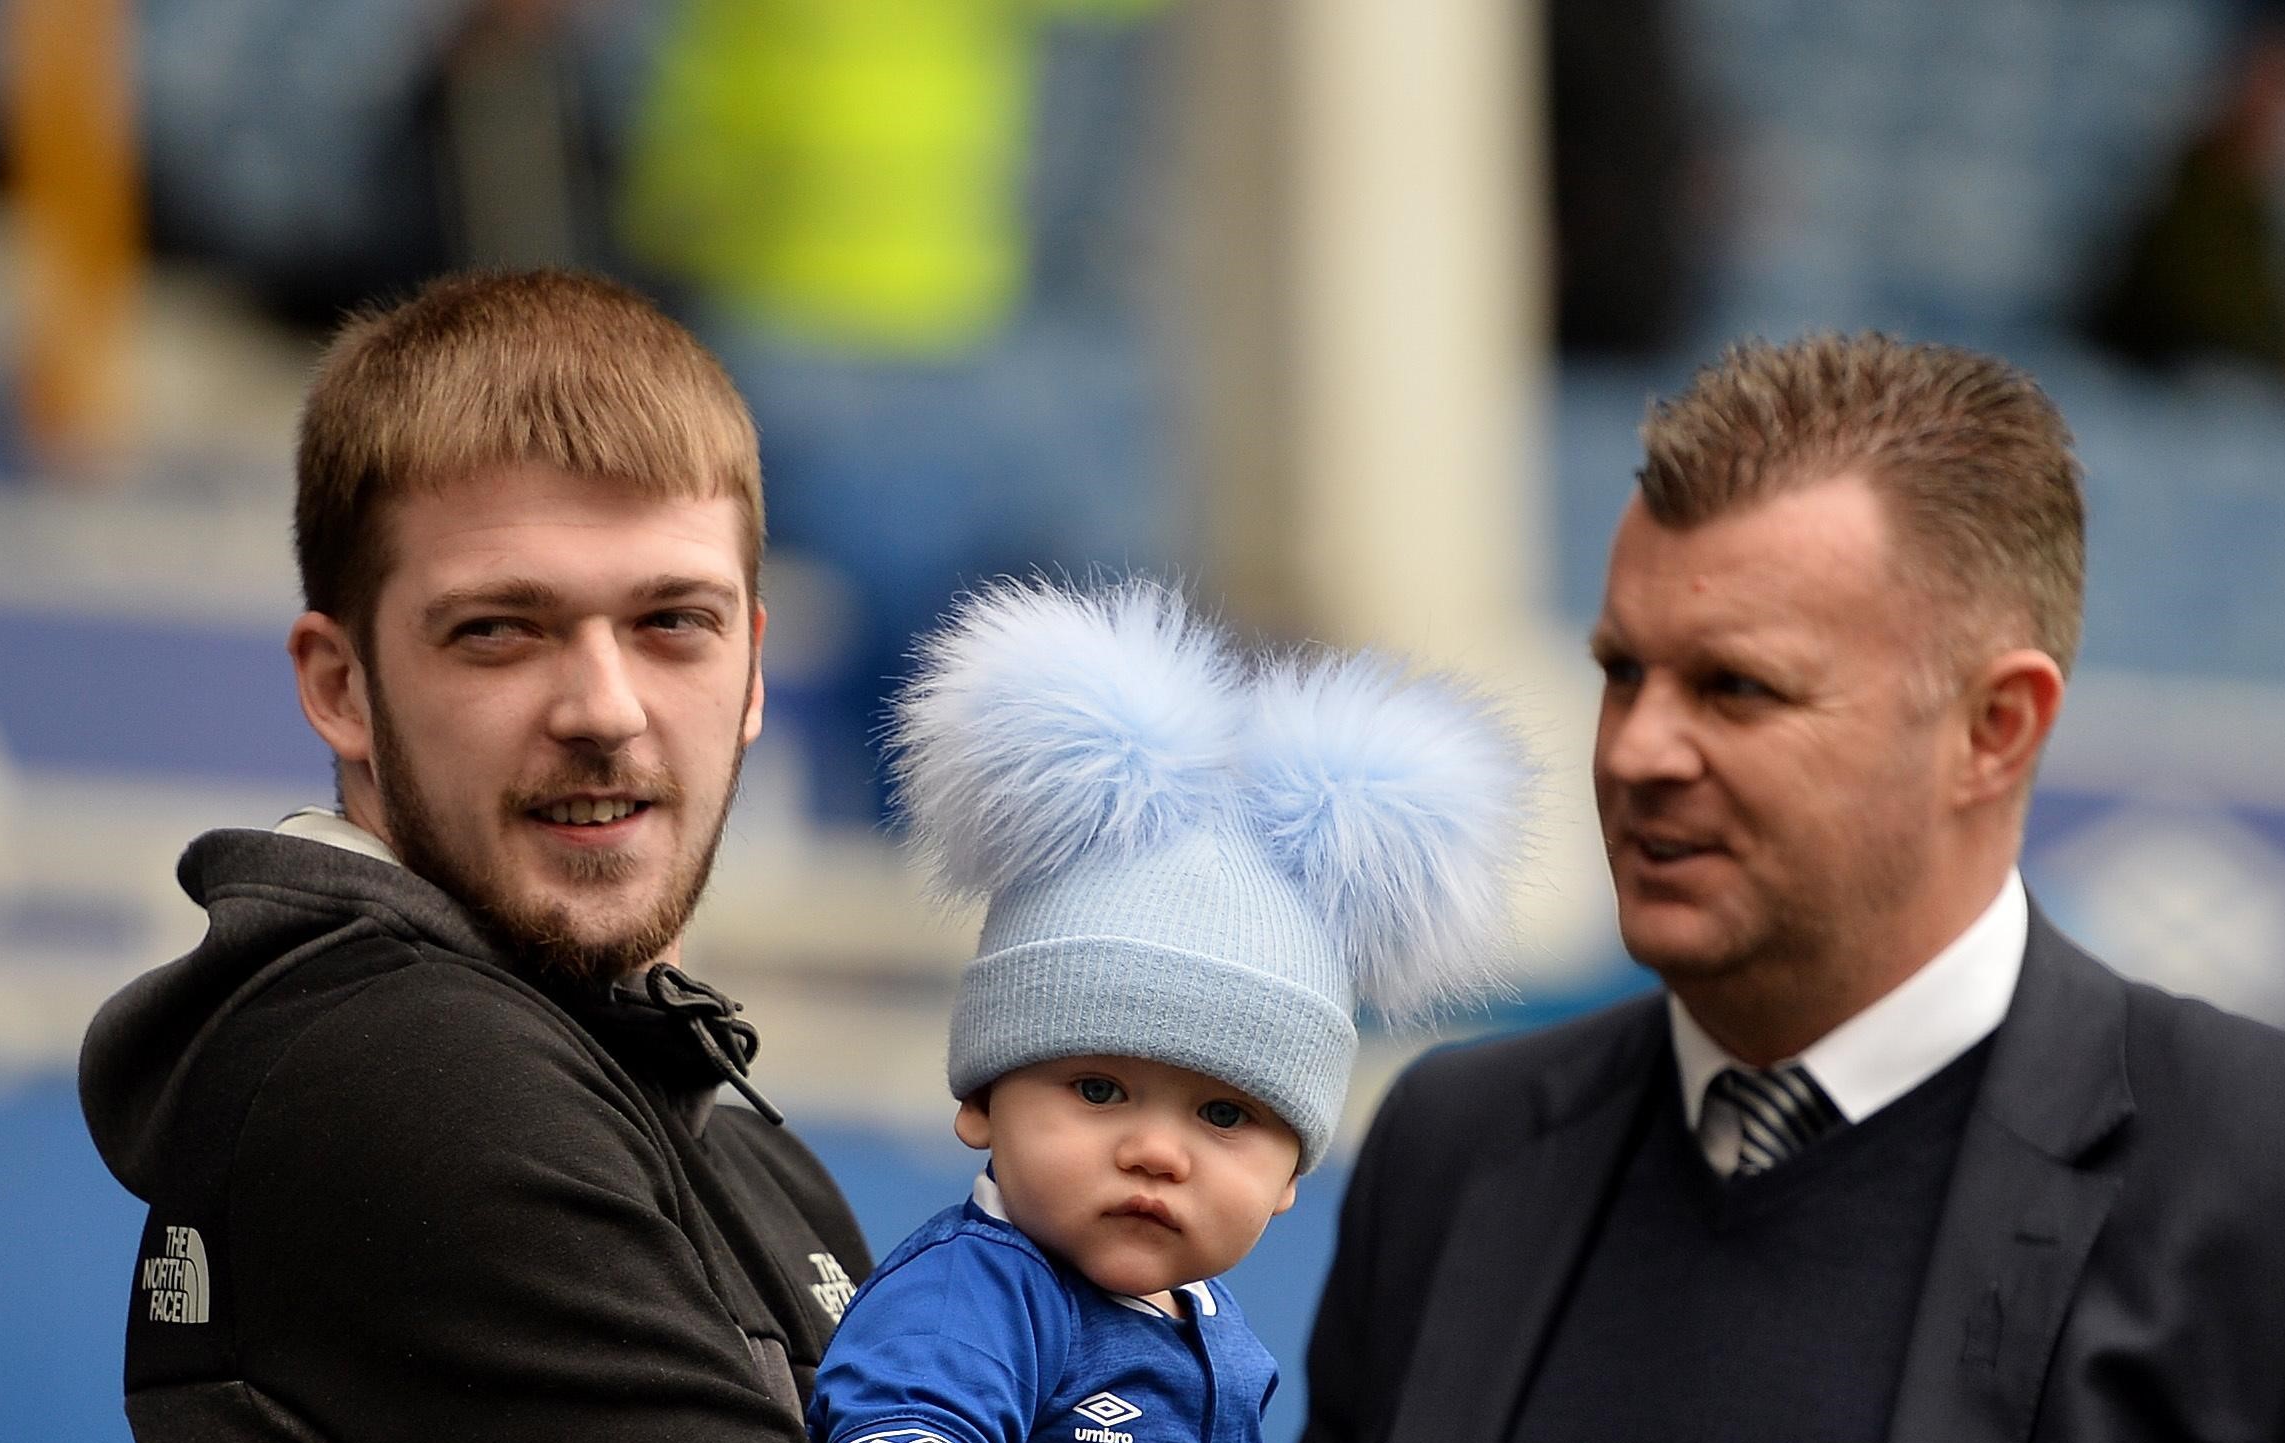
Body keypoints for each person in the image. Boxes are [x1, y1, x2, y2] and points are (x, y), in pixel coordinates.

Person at [1302, 332, 2285, 1443]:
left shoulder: (2248, 1169)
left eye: (1736, 688)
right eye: (1622, 672)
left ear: (1993, 730)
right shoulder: (1453, 1149)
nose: (1636, 753)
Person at [76, 269, 872, 1442]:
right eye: (499, 630)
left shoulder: (752, 1155)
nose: (605, 709)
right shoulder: (407, 1072)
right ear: (341, 687)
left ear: (752, 670)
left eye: (671, 624)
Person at [808, 580, 1531, 1443]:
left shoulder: (1208, 1331)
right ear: (980, 1099)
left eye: (1225, 1113)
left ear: (1290, 1173)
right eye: (1098, 1089)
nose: (1154, 1152)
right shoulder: (972, 1299)